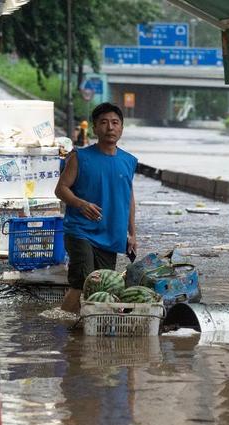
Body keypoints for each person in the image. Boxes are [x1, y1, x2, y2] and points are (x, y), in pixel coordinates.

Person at [55, 102, 137, 313]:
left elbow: (129, 198)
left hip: (111, 235)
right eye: (104, 122)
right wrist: (80, 204)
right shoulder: (79, 157)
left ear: (121, 128)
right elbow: (61, 189)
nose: (110, 127)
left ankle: (87, 328)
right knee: (84, 283)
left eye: (115, 122)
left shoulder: (129, 161)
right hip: (80, 230)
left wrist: (132, 233)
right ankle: (61, 328)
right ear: (94, 128)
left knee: (104, 288)